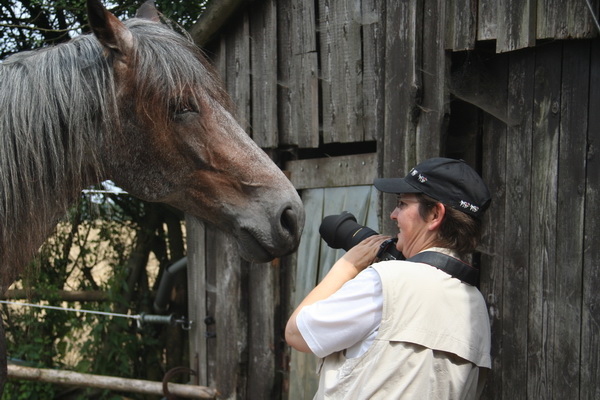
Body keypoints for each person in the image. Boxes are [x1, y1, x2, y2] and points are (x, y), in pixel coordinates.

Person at [285, 157, 492, 399]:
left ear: (435, 214)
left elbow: (296, 334)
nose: (393, 215)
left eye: (402, 204)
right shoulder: (476, 307)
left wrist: (350, 263)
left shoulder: (387, 281)